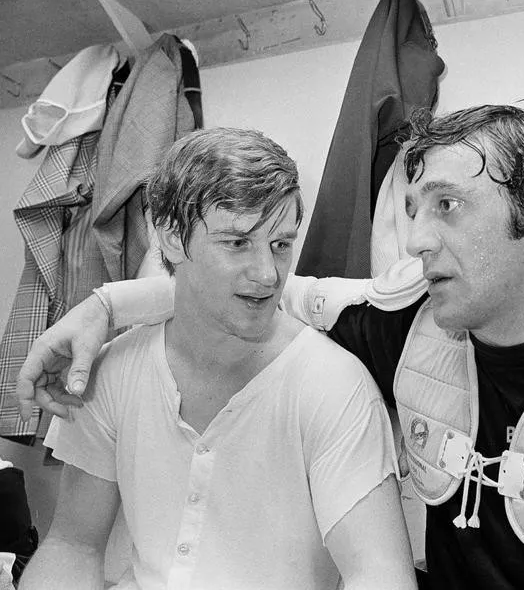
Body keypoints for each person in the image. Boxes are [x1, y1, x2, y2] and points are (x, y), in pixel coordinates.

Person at [17, 106, 524, 590]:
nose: (417, 240)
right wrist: (102, 306)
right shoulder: (406, 323)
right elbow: (248, 292)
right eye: (415, 208)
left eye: (450, 206)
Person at [17, 128, 416, 590]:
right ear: (168, 237)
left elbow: (380, 575)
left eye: (281, 244)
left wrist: (107, 305)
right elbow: (73, 544)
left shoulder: (333, 385)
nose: (268, 274)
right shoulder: (112, 370)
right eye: (237, 243)